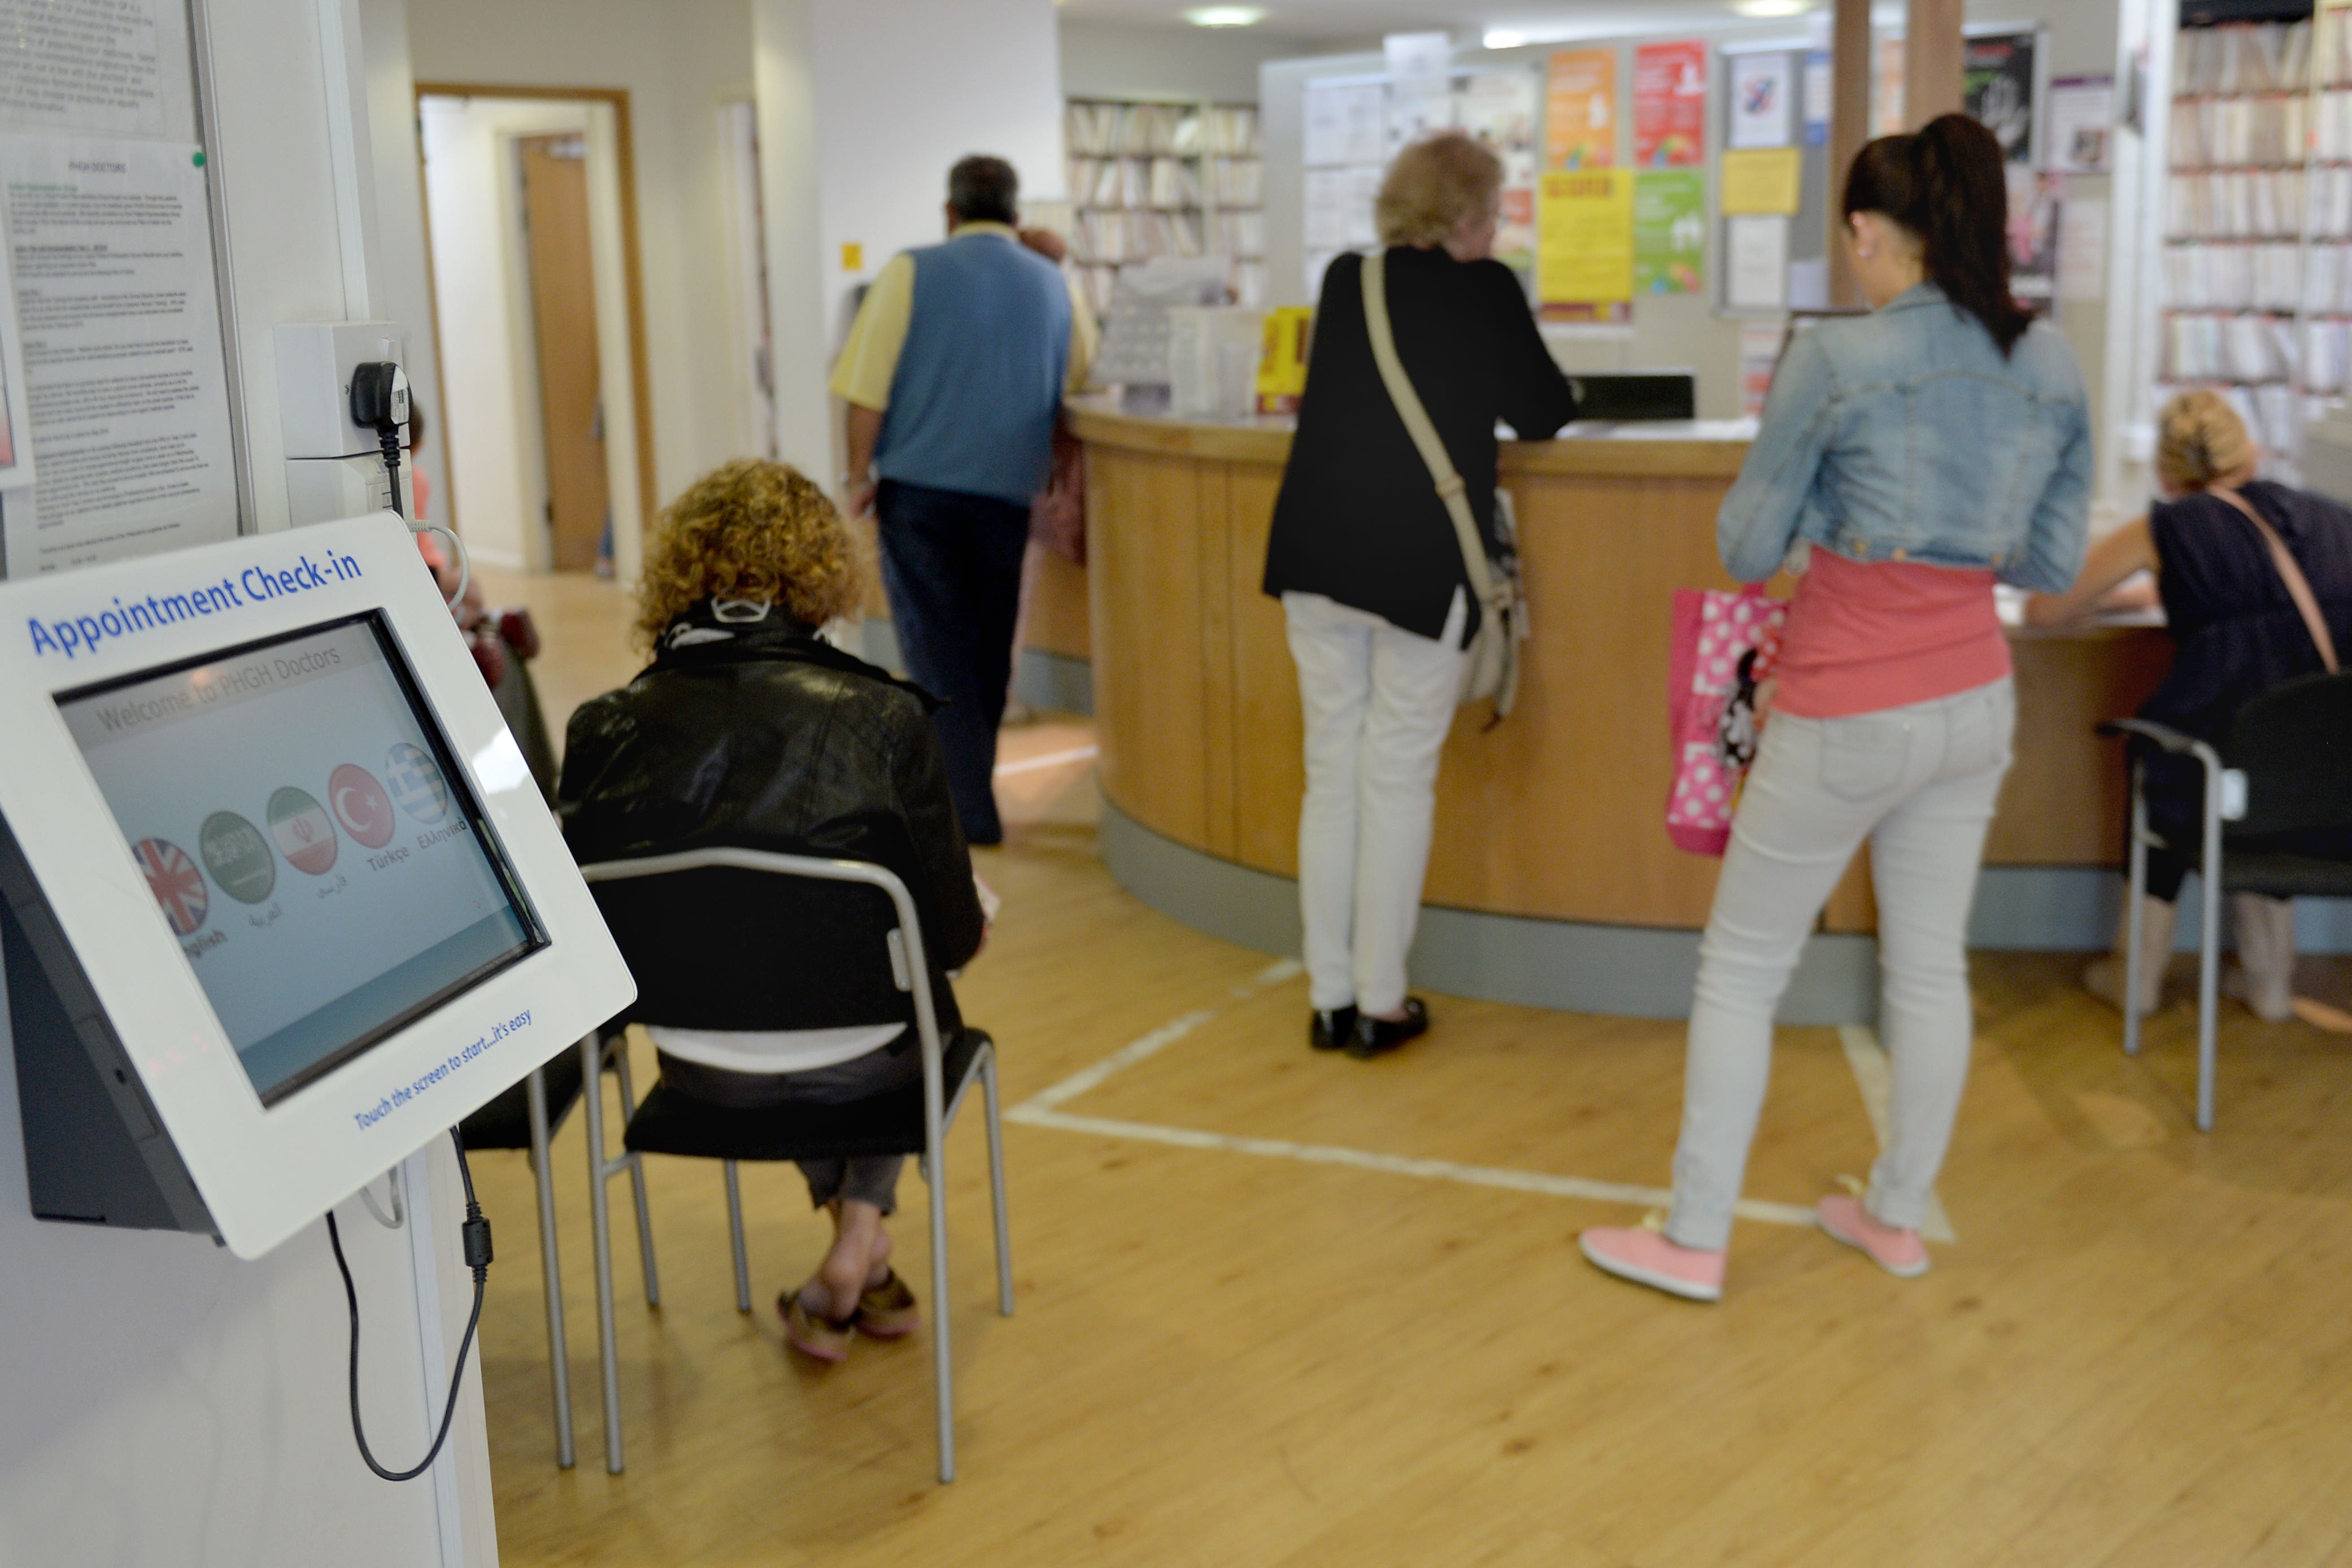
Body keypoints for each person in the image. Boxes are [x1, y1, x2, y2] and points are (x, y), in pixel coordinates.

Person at [1580, 115, 2091, 1302]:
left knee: (1744, 968)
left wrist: (1836, 528)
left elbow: (1747, 544)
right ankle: (1895, 1214)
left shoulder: (1835, 356)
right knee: (1928, 968)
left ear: (1869, 231)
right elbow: (2052, 559)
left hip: (1844, 703)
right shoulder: (2049, 361)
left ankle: (1696, 1236)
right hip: (1974, 702)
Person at [559, 459, 987, 1362]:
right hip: (866, 1071)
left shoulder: (601, 729)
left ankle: (859, 1261)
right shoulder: (880, 716)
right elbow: (953, 940)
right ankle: (859, 1244)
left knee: (780, 969)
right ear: (821, 574)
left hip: (695, 1071)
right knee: (890, 998)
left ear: (678, 573)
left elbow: (590, 951)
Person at [1260, 131, 1576, 1061]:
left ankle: (1326, 996)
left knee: (1332, 770)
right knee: (1394, 774)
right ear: (1470, 215)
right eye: (1496, 208)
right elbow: (1545, 411)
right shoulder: (1486, 290)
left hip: (1314, 556)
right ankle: (1379, 1002)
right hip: (1419, 564)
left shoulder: (1342, 279)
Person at [2026, 390, 2352, 1020]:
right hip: (2326, 780)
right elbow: (2272, 592)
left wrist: (2117, 594)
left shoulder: (2167, 526)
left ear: (2166, 472)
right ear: (2250, 454)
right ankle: (2271, 984)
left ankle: (2137, 979)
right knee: (2269, 784)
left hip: (2209, 767)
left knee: (2163, 760)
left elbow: (2047, 609)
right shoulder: (2330, 519)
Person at [830, 155, 1093, 845]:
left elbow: (865, 388)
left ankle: (968, 810)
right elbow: (1081, 382)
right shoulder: (1054, 283)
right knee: (987, 652)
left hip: (921, 495)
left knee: (937, 650)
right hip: (1008, 496)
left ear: (949, 214)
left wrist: (858, 476)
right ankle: (972, 793)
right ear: (1015, 214)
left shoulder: (909, 271)